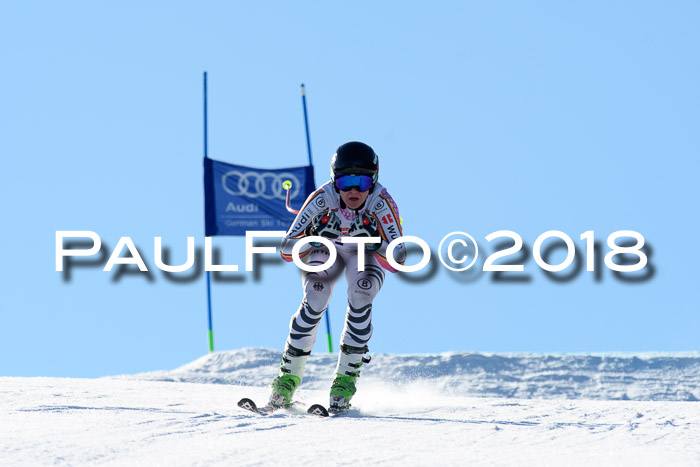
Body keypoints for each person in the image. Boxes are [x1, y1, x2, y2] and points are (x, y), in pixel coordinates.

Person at [269, 141, 406, 411]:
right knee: (316, 295)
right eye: (345, 182)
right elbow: (287, 250)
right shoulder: (322, 198)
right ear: (334, 181)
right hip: (327, 249)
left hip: (364, 254)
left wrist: (374, 243)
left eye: (362, 182)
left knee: (361, 292)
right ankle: (287, 379)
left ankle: (345, 380)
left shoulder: (382, 203)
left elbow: (399, 258)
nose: (353, 190)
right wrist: (317, 237)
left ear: (374, 180)